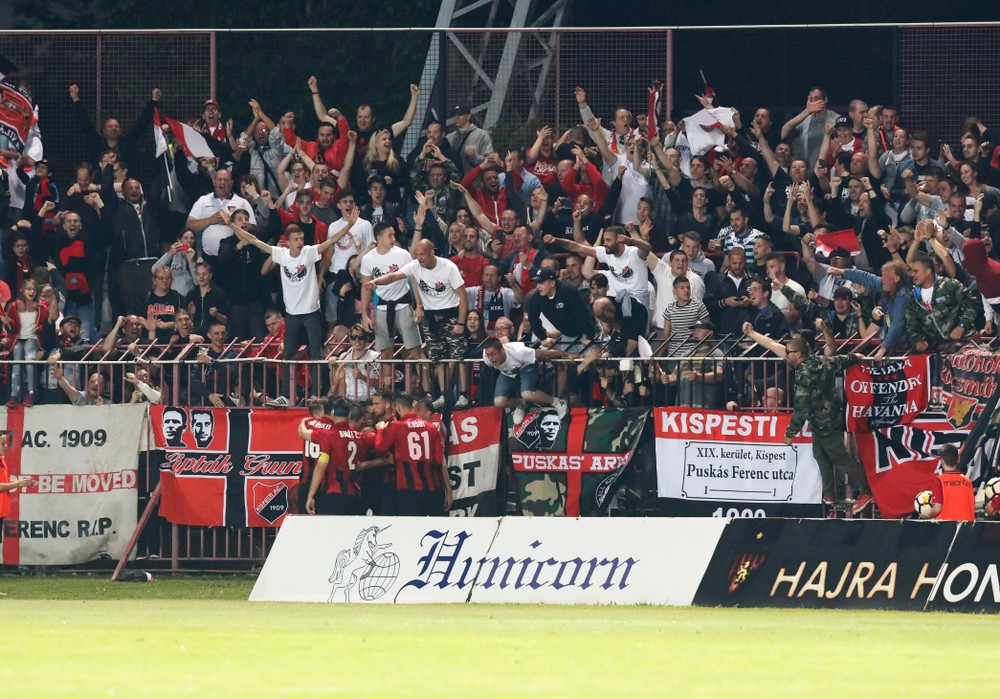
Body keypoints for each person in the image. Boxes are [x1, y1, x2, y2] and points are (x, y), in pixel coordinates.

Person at [225, 218, 342, 406]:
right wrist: (231, 225)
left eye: (302, 238)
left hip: (312, 313)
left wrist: (350, 225)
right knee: (287, 356)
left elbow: (332, 241)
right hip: (292, 315)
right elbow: (254, 240)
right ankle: (286, 395)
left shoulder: (309, 252)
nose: (300, 242)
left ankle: (316, 394)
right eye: (296, 239)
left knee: (315, 355)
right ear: (288, 242)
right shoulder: (281, 254)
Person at [366, 239, 469, 409]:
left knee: (459, 357)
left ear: (431, 253)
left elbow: (463, 297)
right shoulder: (414, 266)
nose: (419, 258)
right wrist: (376, 282)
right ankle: (443, 395)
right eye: (417, 255)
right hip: (430, 317)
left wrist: (461, 322)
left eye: (422, 254)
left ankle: (463, 395)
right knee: (437, 359)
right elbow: (394, 275)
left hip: (451, 314)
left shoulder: (448, 267)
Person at [782, 337, 873, 514]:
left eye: (788, 353)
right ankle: (830, 494)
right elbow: (841, 360)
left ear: (798, 354)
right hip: (825, 419)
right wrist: (856, 357)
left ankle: (866, 491)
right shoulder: (822, 362)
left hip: (824, 423)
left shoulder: (804, 374)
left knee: (841, 459)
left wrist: (790, 432)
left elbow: (801, 406)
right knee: (820, 454)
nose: (786, 356)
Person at [374, 392, 451, 515]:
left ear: (397, 408)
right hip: (431, 488)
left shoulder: (396, 427)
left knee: (411, 529)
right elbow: (438, 459)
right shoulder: (431, 427)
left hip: (407, 488)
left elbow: (380, 449)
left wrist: (379, 431)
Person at [298, 398, 375, 515]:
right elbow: (380, 441)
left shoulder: (328, 435)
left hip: (334, 493)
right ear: (349, 415)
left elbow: (321, 465)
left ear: (332, 414)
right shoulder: (359, 435)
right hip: (355, 494)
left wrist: (310, 495)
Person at [481, 336, 574, 425]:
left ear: (502, 350)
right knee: (499, 402)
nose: (491, 358)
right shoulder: (487, 359)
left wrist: (566, 354)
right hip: (507, 373)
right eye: (488, 355)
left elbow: (543, 353)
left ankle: (557, 402)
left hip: (525, 365)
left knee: (527, 394)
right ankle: (521, 404)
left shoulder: (518, 351)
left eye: (494, 354)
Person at [919, 444, 974, 521]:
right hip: (967, 528)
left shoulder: (939, 481)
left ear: (942, 461)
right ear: (958, 460)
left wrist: (928, 514)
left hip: (947, 529)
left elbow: (937, 509)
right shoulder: (967, 481)